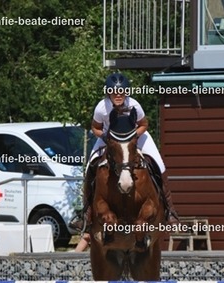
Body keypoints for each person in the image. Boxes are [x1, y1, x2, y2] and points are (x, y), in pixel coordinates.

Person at [72, 72, 179, 231]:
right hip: (110, 139)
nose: (118, 95)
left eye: (121, 92)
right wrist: (105, 137)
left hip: (136, 138)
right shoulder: (101, 107)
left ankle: (170, 210)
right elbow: (95, 127)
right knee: (90, 166)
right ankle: (85, 214)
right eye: (114, 92)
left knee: (159, 164)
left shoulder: (134, 105)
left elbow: (144, 124)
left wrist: (133, 137)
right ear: (108, 92)